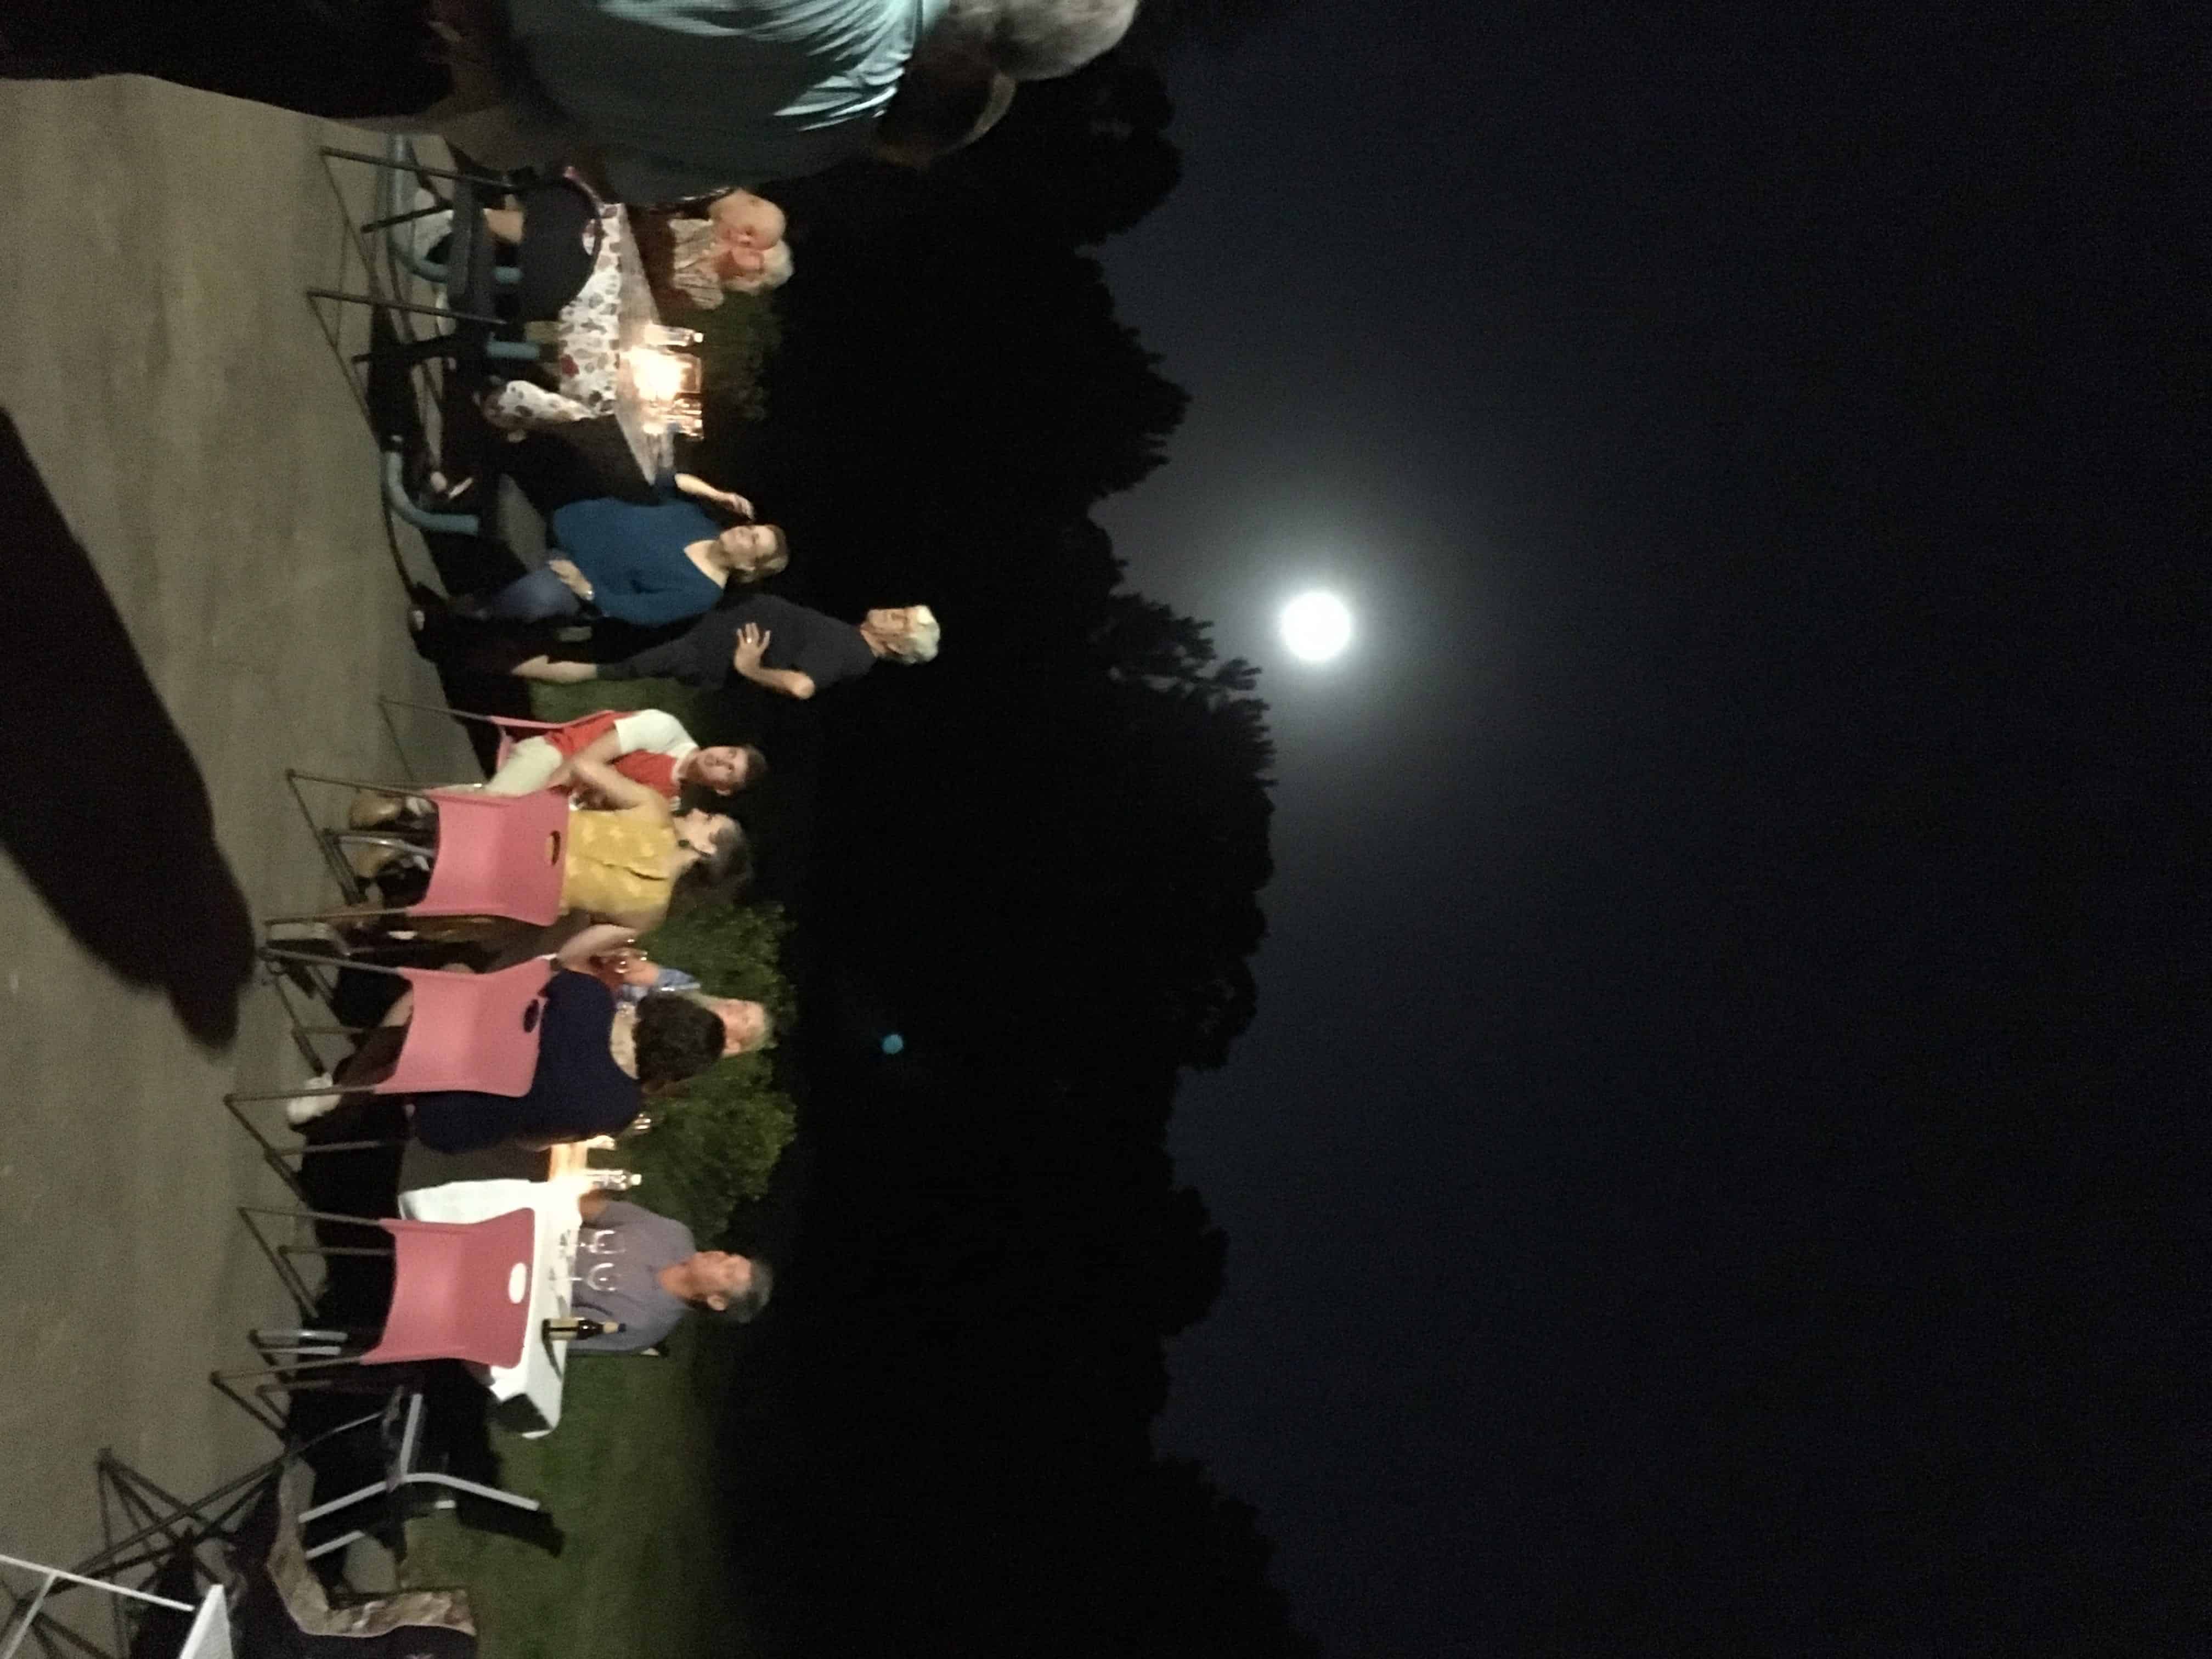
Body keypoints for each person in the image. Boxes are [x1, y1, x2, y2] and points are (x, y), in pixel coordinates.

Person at [291, 923, 739, 1152]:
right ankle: (363, 1094)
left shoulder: (588, 999)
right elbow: (530, 1141)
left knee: (454, 979)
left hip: (439, 1059)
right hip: (448, 1126)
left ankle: (347, 1089)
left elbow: (522, 983)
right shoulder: (621, 1111)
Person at [454, 471, 787, 628]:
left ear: (749, 567)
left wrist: (587, 590)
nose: (745, 531)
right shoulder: (700, 522)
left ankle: (470, 613)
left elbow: (641, 612)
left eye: (753, 541)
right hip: (570, 516)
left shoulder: (702, 593)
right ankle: (446, 498)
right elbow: (667, 482)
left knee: (538, 596)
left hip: (571, 570)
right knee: (534, 460)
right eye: (752, 528)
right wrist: (717, 495)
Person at [515, 597, 939, 699]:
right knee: (604, 644)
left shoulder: (852, 652)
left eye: (900, 622)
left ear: (897, 646)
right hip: (701, 633)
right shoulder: (851, 642)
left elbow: (801, 686)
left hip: (700, 650)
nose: (893, 612)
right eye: (902, 610)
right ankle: (506, 648)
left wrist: (750, 668)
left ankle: (497, 661)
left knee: (603, 664)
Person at [567, 1192, 772, 1353]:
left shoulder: (642, 1326)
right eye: (729, 1256)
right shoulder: (673, 1233)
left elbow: (556, 1328)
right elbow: (593, 1210)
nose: (720, 1256)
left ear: (716, 1301)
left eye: (728, 1271)